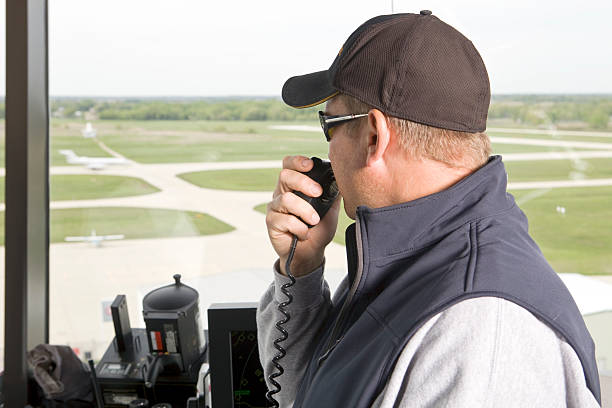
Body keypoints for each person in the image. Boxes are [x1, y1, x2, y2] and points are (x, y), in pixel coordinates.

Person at [257, 11, 601, 408]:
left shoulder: (480, 333)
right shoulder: (405, 259)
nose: (327, 152)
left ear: (373, 137)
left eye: (329, 124)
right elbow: (304, 392)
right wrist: (301, 268)